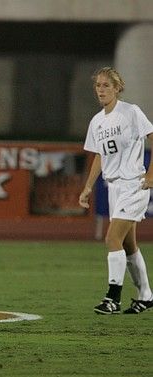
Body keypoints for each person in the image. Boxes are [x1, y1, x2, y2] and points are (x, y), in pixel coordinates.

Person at [78, 67, 153, 315]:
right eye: (98, 85)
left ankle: (113, 298)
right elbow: (100, 156)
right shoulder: (97, 121)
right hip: (114, 187)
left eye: (106, 85)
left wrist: (151, 174)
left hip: (134, 184)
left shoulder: (131, 112)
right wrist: (88, 186)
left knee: (112, 239)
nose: (101, 89)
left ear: (117, 88)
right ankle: (145, 296)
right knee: (128, 245)